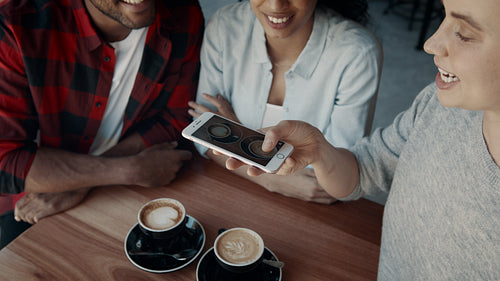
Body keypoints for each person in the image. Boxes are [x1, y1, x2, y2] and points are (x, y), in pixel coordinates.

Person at [225, 0, 500, 279]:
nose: (431, 43)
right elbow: (362, 172)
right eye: (444, 17)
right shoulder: (436, 106)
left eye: (464, 33)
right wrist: (319, 151)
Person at [0, 0, 204, 248]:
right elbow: (5, 161)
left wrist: (87, 182)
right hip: (38, 196)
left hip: (137, 187)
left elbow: (176, 118)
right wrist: (128, 170)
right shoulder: (16, 25)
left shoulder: (184, 13)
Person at [188, 0, 382, 204]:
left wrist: (235, 134)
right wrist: (273, 181)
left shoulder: (357, 53)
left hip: (310, 212)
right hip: (229, 190)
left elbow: (334, 180)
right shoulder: (224, 25)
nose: (276, 5)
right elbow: (200, 134)